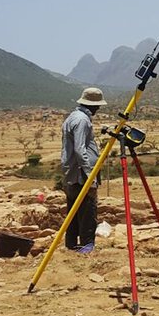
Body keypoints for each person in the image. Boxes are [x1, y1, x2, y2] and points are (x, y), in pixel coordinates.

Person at [61, 87, 107, 253]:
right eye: (98, 106)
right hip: (81, 173)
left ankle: (71, 244)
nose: (98, 109)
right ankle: (87, 245)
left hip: (73, 172)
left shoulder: (73, 117)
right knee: (87, 209)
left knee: (74, 208)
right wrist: (90, 175)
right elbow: (80, 149)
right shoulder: (82, 120)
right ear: (92, 105)